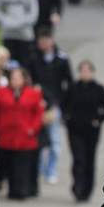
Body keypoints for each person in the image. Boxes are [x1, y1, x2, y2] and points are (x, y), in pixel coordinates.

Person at [62, 60, 104, 202]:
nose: (85, 73)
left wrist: (98, 120)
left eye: (87, 70)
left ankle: (87, 190)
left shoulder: (99, 89)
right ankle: (77, 186)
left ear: (92, 72)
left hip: (91, 130)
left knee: (89, 159)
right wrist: (67, 119)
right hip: (75, 129)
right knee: (78, 158)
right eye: (82, 70)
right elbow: (63, 105)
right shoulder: (73, 87)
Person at [28, 29, 72, 185]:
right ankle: (39, 169)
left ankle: (51, 169)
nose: (43, 43)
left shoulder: (61, 59)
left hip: (54, 105)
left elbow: (68, 83)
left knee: (54, 141)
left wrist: (60, 104)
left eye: (45, 39)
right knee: (38, 139)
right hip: (36, 104)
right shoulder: (33, 58)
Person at [0, 67, 43, 200]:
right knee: (8, 163)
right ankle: (12, 189)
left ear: (24, 79)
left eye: (18, 78)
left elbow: (38, 114)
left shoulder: (33, 93)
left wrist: (33, 129)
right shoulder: (1, 93)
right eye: (13, 78)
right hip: (6, 135)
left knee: (22, 164)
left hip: (25, 136)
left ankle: (22, 190)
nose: (15, 81)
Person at [0, 0, 38, 68]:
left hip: (24, 35)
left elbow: (33, 13)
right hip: (8, 34)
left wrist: (20, 23)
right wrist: (6, 21)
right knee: (7, 65)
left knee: (25, 65)